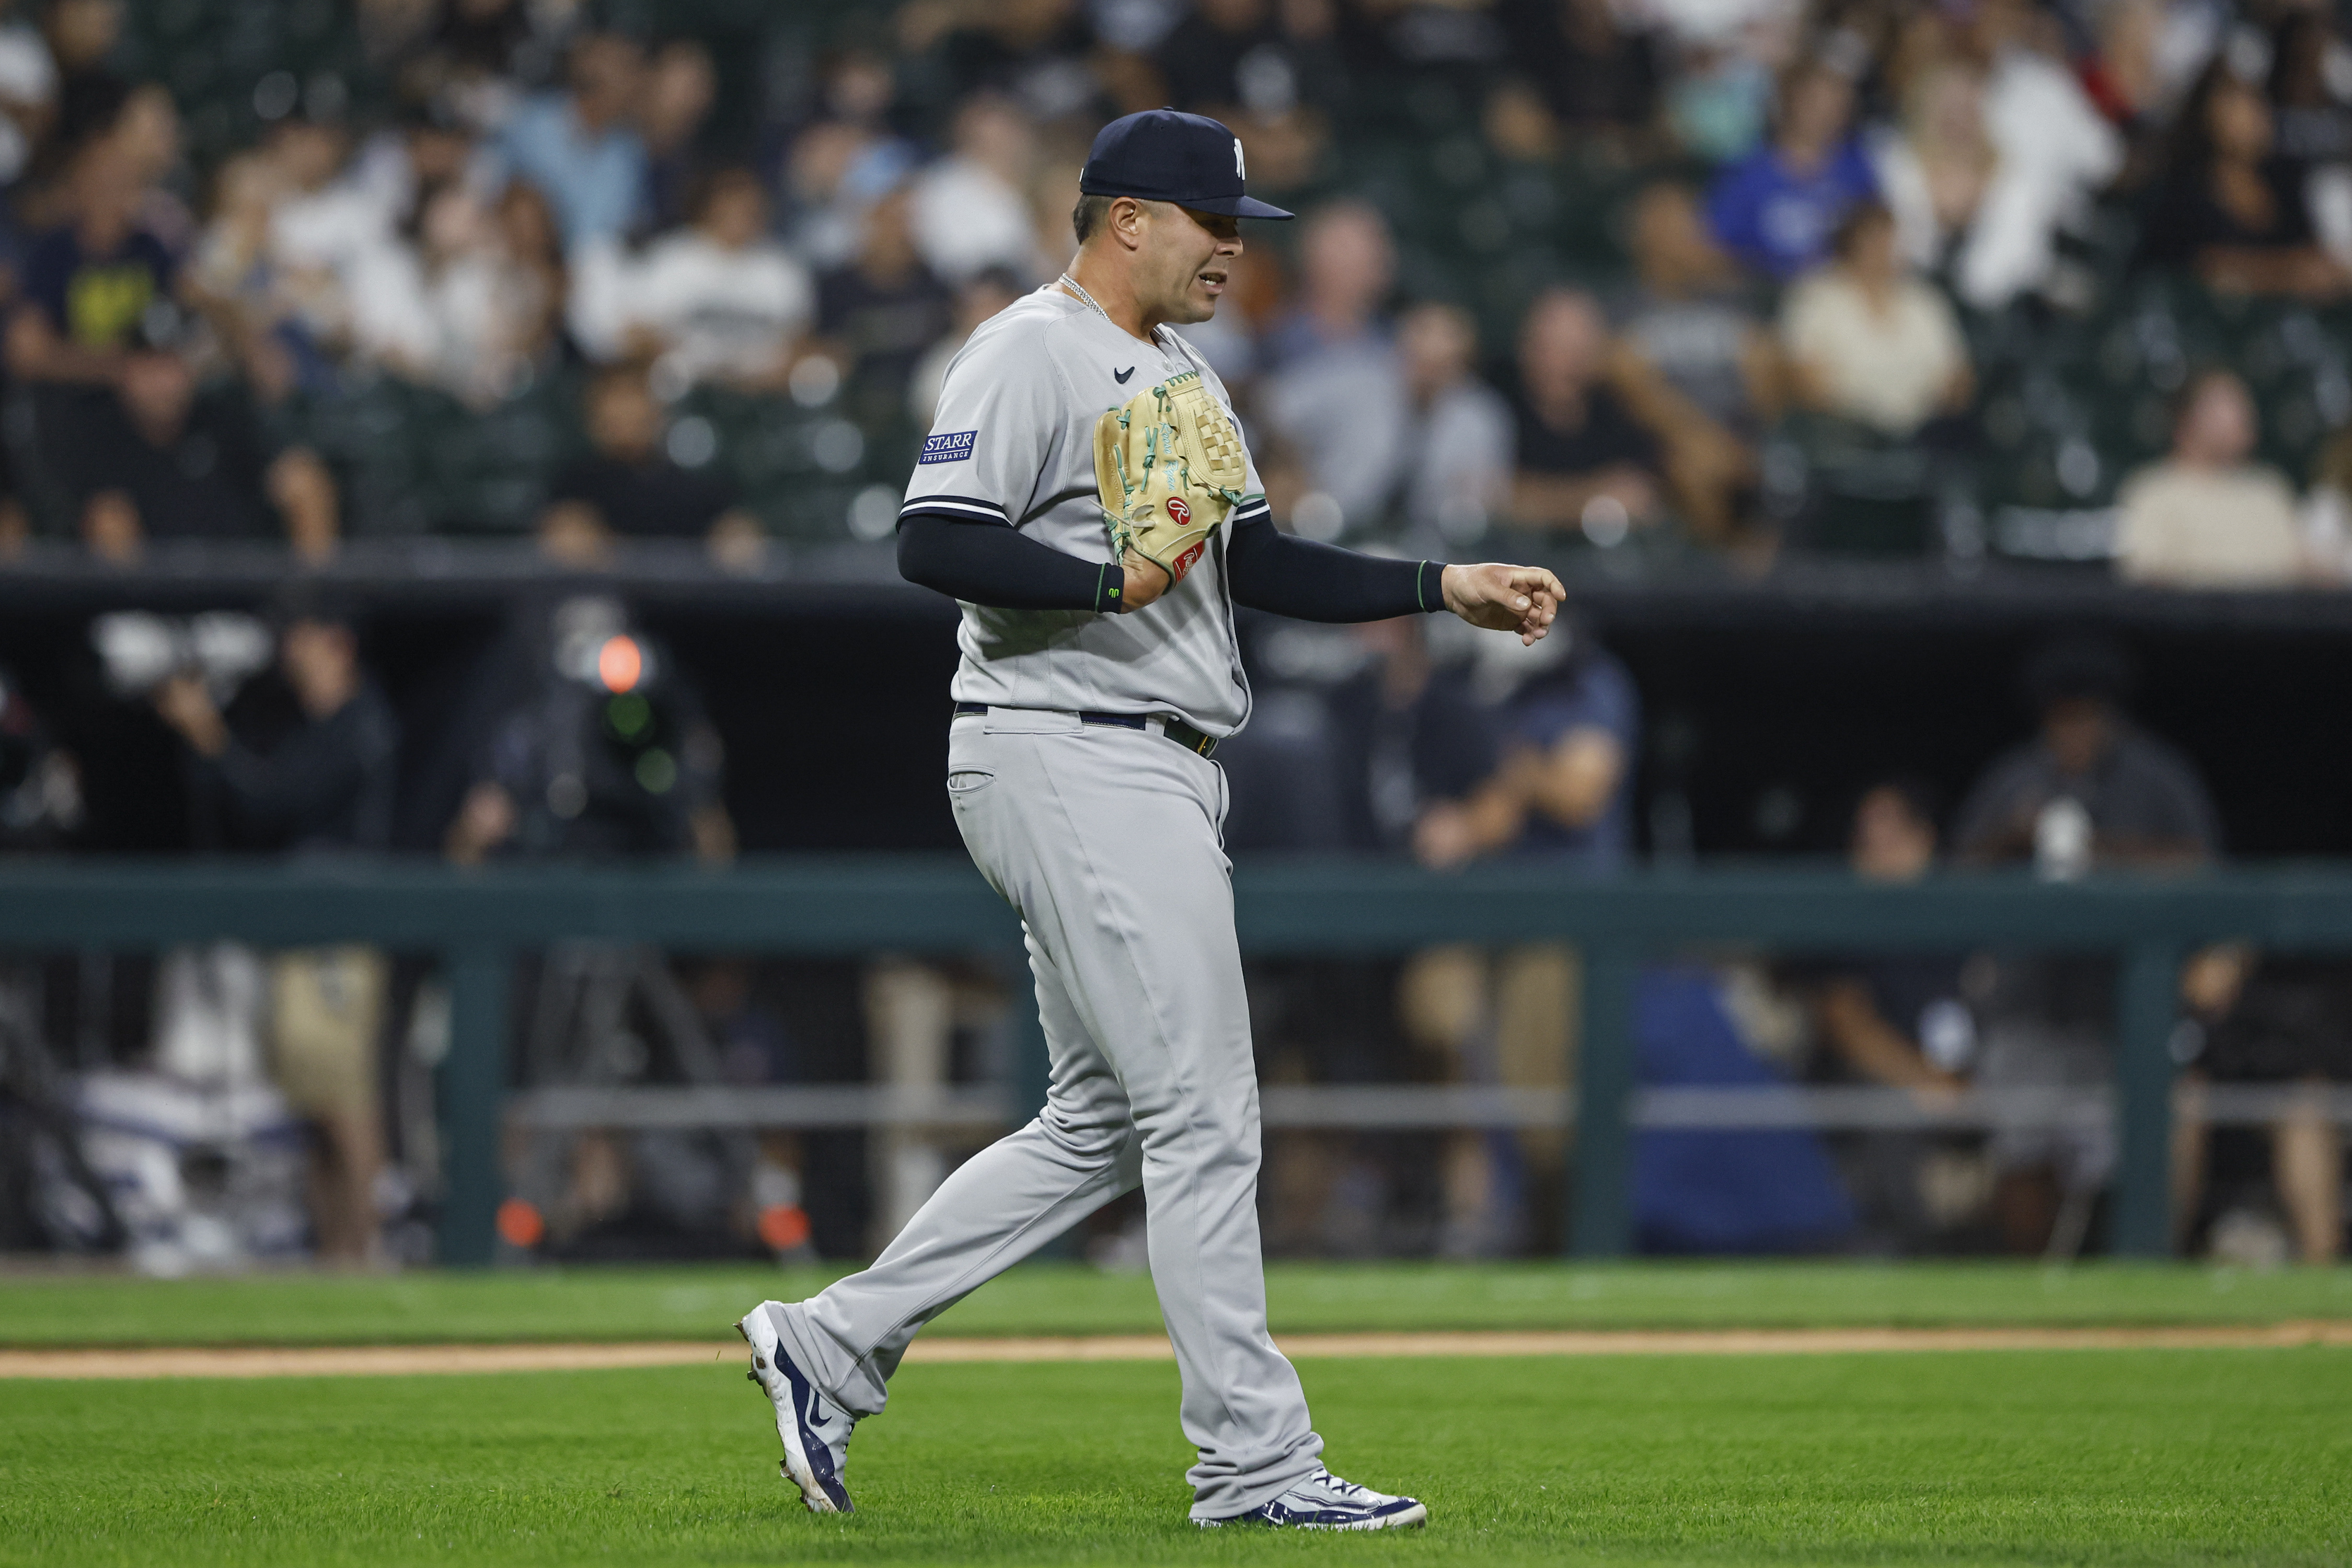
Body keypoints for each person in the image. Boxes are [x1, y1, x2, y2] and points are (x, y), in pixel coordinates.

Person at [744, 108, 1564, 1531]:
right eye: (1211, 223)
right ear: (1127, 216)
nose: (1235, 250)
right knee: (1203, 1110)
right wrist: (1101, 585)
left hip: (1144, 755)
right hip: (1067, 745)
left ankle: (828, 1343)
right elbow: (930, 536)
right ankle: (1253, 1462)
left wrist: (1444, 586)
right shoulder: (1028, 348)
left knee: (1104, 1121)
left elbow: (1256, 562)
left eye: (1243, 227)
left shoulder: (1180, 374)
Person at [1952, 636, 2221, 1254]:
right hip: (2030, 1004)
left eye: (2086, 714)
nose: (2074, 727)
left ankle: (2144, 1281)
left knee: (2146, 1154)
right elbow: (1958, 875)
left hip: (2122, 1013)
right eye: (2062, 714)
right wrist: (2010, 840)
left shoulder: (2154, 777)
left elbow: (2202, 870)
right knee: (2024, 1156)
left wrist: (2101, 850)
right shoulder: (2016, 778)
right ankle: (2030, 1298)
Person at [152, 594, 400, 1263]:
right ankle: (336, 1253)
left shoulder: (359, 722)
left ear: (338, 644)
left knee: (342, 1098)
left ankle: (366, 1250)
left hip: (337, 939)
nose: (293, 652)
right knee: (311, 1101)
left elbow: (271, 803)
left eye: (306, 637)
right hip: (300, 935)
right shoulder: (307, 725)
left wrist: (208, 735)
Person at [49, 316, 340, 562]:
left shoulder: (221, 419)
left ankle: (315, 610)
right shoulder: (98, 432)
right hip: (141, 609)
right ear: (126, 371)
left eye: (171, 364)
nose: (162, 382)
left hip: (234, 596)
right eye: (150, 365)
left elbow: (289, 473)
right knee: (109, 521)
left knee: (303, 474)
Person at [1609, 181, 1781, 544]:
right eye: (1681, 227)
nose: (1697, 234)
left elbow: (1766, 375)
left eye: (1696, 224)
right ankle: (1729, 572)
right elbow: (1634, 387)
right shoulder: (1625, 308)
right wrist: (1699, 438)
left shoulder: (1732, 300)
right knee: (1694, 470)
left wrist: (1742, 440)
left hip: (1740, 437)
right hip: (1669, 446)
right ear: (1649, 239)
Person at [2139, 60, 2352, 299]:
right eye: (2239, 104)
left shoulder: (2288, 181)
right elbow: (2198, 269)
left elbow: (2320, 258)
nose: (2256, 116)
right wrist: (2285, 276)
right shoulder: (2184, 192)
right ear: (2208, 115)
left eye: (2257, 102)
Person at [1781, 201, 1972, 441]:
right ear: (1852, 243)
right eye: (1874, 239)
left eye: (1890, 239)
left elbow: (1958, 377)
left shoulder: (1925, 299)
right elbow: (1808, 384)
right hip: (1846, 434)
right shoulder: (1815, 298)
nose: (1884, 249)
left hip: (1926, 433)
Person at [539, 365, 763, 568]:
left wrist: (731, 539)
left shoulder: (690, 484)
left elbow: (735, 534)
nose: (625, 412)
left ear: (657, 410)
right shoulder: (574, 483)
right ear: (592, 415)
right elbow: (566, 539)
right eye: (613, 399)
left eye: (633, 398)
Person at [2114, 368, 2316, 587]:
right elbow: (2144, 572)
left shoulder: (2269, 490)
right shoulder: (2153, 491)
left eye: (2243, 407)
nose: (2239, 417)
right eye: (2223, 407)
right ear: (2185, 419)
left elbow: (2303, 568)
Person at [1506, 287, 1667, 539]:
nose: (1565, 365)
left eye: (1578, 352)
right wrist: (1592, 500)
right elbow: (1493, 499)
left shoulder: (1617, 414)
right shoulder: (1497, 408)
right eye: (1553, 349)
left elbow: (1641, 498)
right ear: (1526, 348)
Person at [1706, 60, 1878, 281]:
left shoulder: (1858, 171)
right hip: (1763, 293)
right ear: (1789, 103)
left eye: (1837, 105)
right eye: (1815, 103)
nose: (1825, 115)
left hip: (1839, 293)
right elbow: (1717, 246)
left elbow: (1873, 236)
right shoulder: (1746, 173)